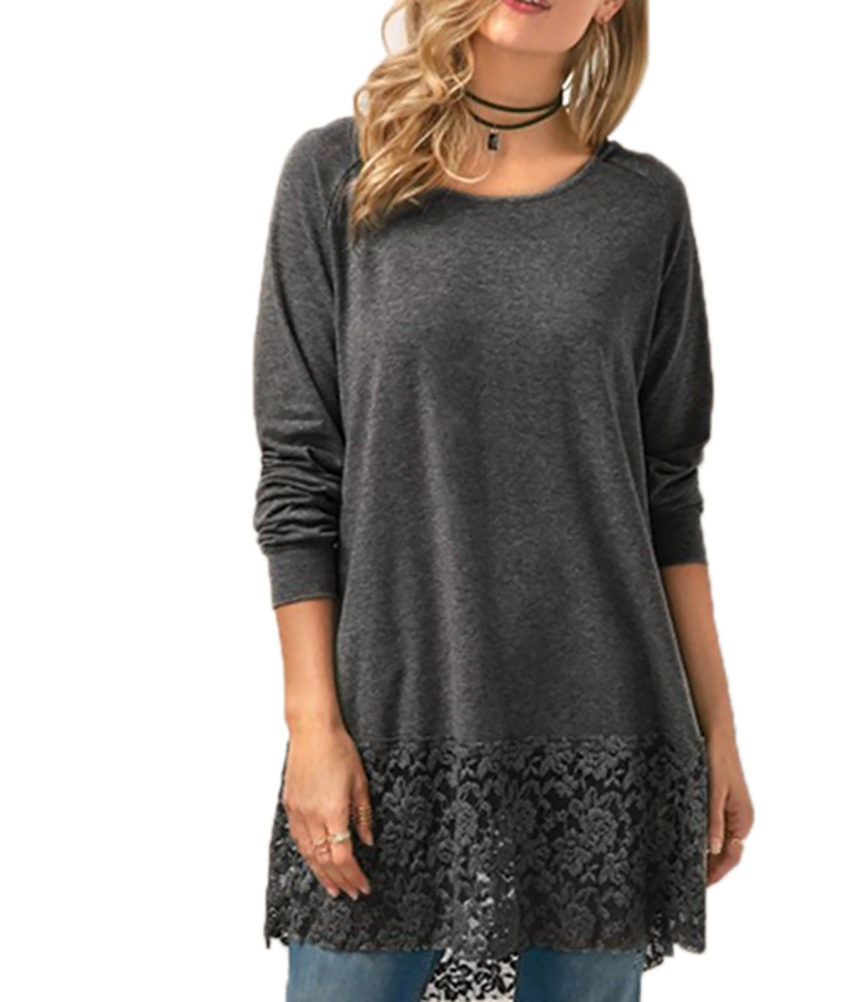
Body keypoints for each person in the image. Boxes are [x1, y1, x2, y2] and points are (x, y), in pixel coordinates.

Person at [250, 1, 754, 1000]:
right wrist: (313, 725)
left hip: (604, 739)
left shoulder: (643, 210)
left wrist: (719, 729)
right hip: (391, 725)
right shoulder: (338, 175)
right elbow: (300, 470)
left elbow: (666, 491)